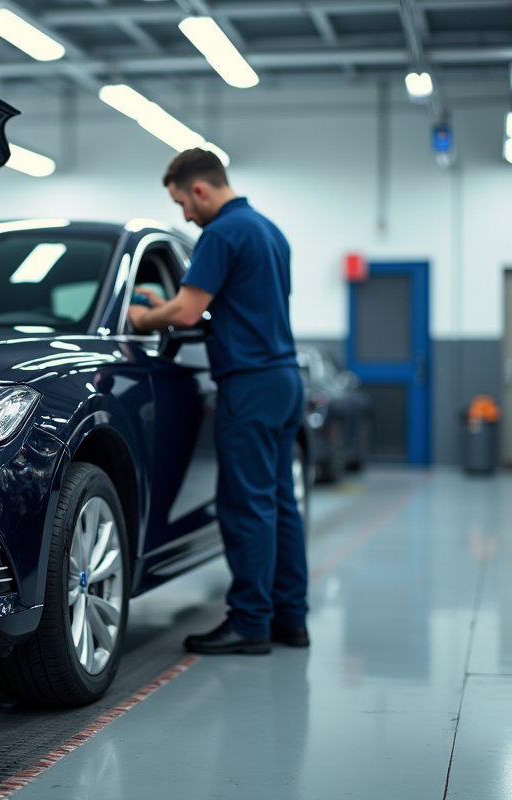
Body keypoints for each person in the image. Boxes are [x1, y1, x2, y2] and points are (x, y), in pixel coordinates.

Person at [128, 148, 308, 655]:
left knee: (245, 507)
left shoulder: (222, 233)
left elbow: (188, 313)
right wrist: (167, 304)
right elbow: (238, 308)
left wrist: (144, 317)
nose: (185, 214)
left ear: (200, 190)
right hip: (284, 379)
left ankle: (250, 623)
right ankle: (290, 619)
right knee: (280, 504)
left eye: (182, 202)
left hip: (249, 385)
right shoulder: (270, 232)